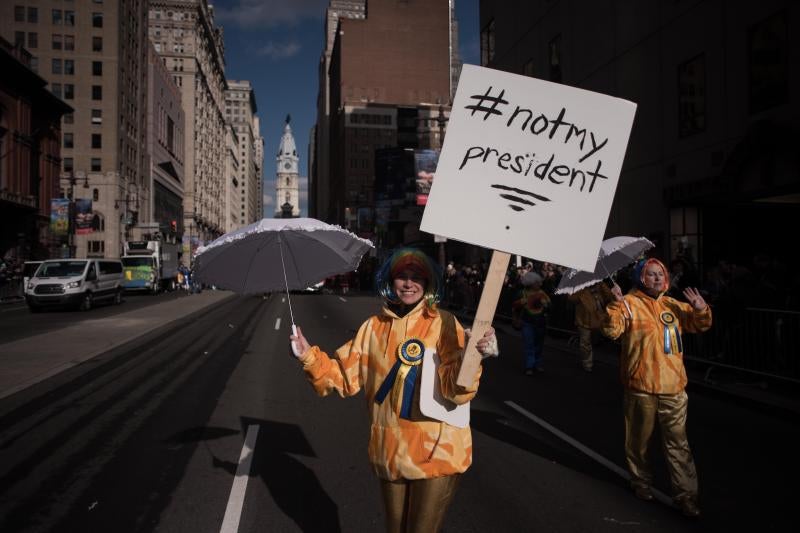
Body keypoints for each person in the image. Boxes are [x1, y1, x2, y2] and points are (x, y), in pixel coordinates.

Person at [289, 248, 498, 533]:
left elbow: (456, 391)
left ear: (428, 283)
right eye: (402, 276)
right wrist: (308, 356)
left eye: (416, 277)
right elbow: (342, 378)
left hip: (437, 450)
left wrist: (473, 358)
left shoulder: (445, 323)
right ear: (390, 280)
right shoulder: (372, 328)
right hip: (389, 449)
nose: (409, 283)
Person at [602, 258, 712, 518]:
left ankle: (686, 496)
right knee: (638, 442)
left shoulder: (673, 304)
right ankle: (640, 482)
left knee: (679, 444)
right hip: (640, 386)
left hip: (673, 388)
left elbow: (701, 325)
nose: (658, 278)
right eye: (651, 275)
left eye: (661, 274)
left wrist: (700, 308)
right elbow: (611, 331)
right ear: (641, 278)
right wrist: (615, 305)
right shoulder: (628, 303)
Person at [568, 282, 615, 372]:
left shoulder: (600, 284)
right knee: (585, 343)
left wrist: (606, 289)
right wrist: (581, 289)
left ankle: (589, 355)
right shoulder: (579, 286)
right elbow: (571, 298)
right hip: (583, 320)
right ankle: (587, 363)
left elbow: (609, 296)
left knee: (594, 340)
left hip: (599, 318)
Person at [512, 271, 550, 375]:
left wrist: (546, 304)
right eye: (537, 282)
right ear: (531, 283)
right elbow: (514, 305)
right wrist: (521, 302)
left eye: (539, 282)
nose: (539, 284)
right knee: (529, 344)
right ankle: (529, 366)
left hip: (541, 323)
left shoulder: (542, 293)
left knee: (539, 345)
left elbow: (550, 305)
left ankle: (537, 364)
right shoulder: (522, 293)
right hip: (527, 322)